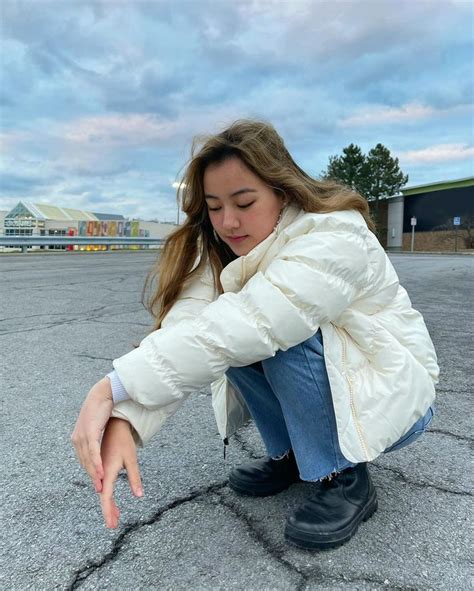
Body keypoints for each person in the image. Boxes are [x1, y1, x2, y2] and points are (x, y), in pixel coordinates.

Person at [72, 119, 439, 550]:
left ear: (283, 192)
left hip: (395, 398)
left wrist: (109, 388)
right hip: (343, 385)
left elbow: (254, 322)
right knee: (227, 336)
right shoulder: (228, 252)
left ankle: (341, 475)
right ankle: (293, 456)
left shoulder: (335, 234)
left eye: (244, 202)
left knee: (271, 337)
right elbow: (188, 334)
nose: (228, 221)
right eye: (213, 206)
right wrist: (126, 419)